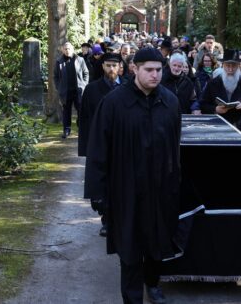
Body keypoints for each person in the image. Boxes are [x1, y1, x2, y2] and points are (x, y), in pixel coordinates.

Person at [84, 47, 183, 304]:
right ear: (134, 69)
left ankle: (153, 284)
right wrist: (98, 192)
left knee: (157, 242)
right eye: (149, 70)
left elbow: (175, 146)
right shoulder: (114, 103)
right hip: (125, 189)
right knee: (129, 248)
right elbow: (98, 149)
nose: (155, 75)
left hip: (160, 189)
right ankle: (132, 297)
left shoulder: (170, 102)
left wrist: (175, 184)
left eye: (159, 70)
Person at [79, 53, 123, 237]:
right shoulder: (91, 90)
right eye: (108, 65)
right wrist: (86, 147)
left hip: (123, 144)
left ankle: (120, 219)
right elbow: (85, 120)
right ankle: (106, 220)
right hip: (100, 145)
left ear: (121, 66)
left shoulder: (128, 87)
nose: (111, 69)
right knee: (102, 184)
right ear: (102, 66)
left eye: (114, 65)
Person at [199, 49, 241, 124]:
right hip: (217, 124)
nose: (230, 69)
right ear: (223, 65)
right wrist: (215, 109)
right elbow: (203, 104)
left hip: (240, 126)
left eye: (234, 66)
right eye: (228, 65)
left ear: (238, 66)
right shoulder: (213, 83)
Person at [53, 42, 89, 139]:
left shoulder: (80, 59)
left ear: (73, 49)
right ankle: (66, 130)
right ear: (62, 50)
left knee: (81, 111)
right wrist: (59, 87)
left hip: (78, 90)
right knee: (66, 111)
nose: (67, 50)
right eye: (65, 49)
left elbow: (86, 73)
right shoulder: (59, 61)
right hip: (65, 91)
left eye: (69, 48)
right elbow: (55, 77)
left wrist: (84, 85)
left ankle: (81, 129)